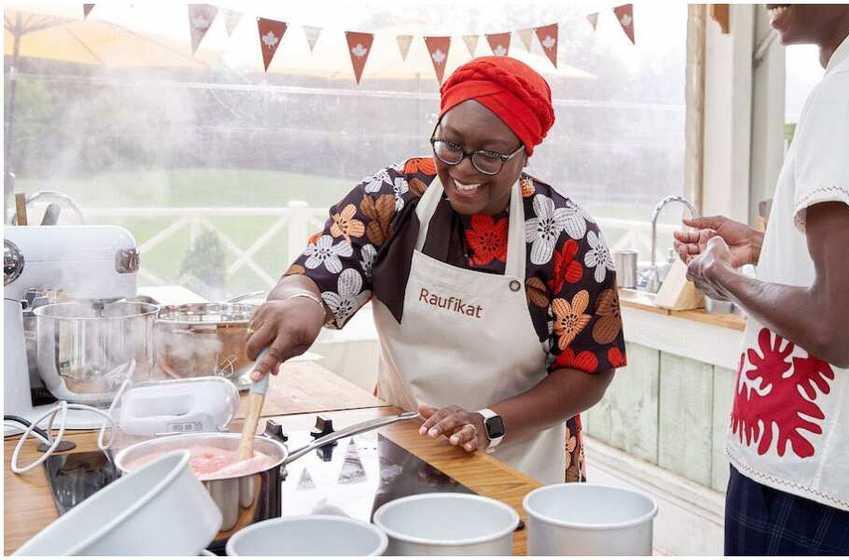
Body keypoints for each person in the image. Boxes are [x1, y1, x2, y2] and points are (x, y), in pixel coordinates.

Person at [246, 56, 625, 485]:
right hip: (404, 447)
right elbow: (319, 269)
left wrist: (488, 423)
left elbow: (589, 371)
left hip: (524, 464)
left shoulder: (566, 236)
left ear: (523, 154)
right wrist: (300, 301)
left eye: (490, 156)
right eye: (451, 144)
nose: (463, 168)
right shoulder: (394, 197)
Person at [675, 4, 849, 555]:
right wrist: (767, 248)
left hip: (807, 461)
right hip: (844, 460)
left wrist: (719, 274)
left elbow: (837, 329)